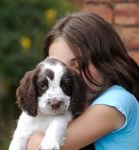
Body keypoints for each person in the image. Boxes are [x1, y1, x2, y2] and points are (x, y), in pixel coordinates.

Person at [27, 12, 139, 150]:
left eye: (77, 64)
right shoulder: (85, 105)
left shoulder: (116, 101)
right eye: (58, 67)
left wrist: (28, 136)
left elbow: (48, 146)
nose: (66, 77)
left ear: (104, 58)